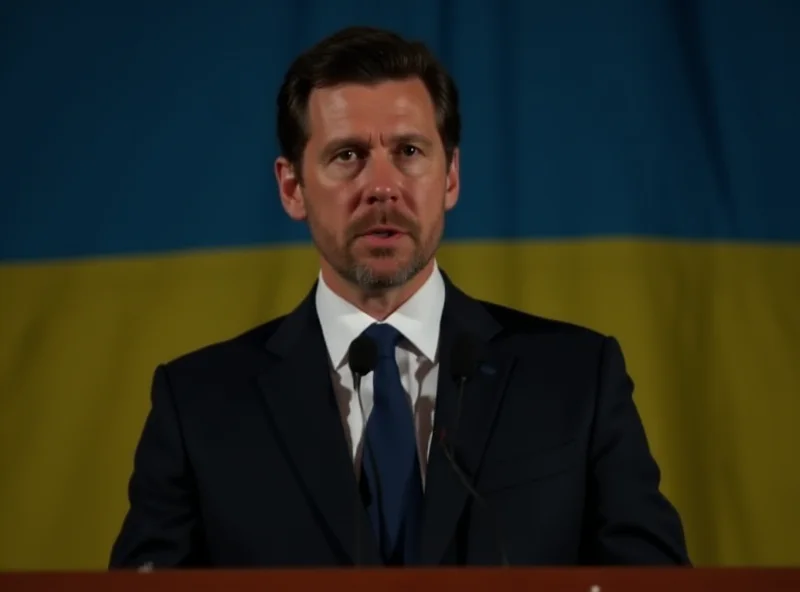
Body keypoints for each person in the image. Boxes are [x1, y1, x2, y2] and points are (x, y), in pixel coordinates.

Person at [109, 26, 690, 568]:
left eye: (409, 152)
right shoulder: (199, 405)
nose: (381, 186)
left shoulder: (576, 378)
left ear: (451, 177)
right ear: (292, 188)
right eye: (347, 155)